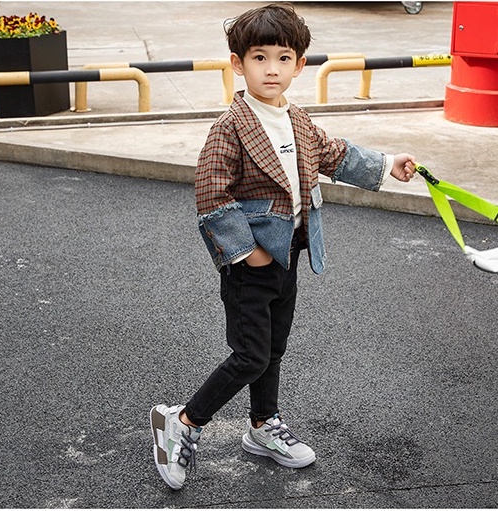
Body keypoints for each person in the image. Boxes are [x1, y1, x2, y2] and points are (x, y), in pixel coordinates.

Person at [150, 3, 416, 490]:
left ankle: (262, 425)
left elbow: (335, 154)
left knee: (272, 349)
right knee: (250, 355)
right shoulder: (231, 126)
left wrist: (385, 164)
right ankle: (182, 422)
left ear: (299, 64)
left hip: (288, 254)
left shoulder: (297, 120)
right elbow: (211, 195)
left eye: (283, 58)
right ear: (238, 64)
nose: (271, 69)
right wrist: (245, 252)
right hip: (250, 264)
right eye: (259, 57)